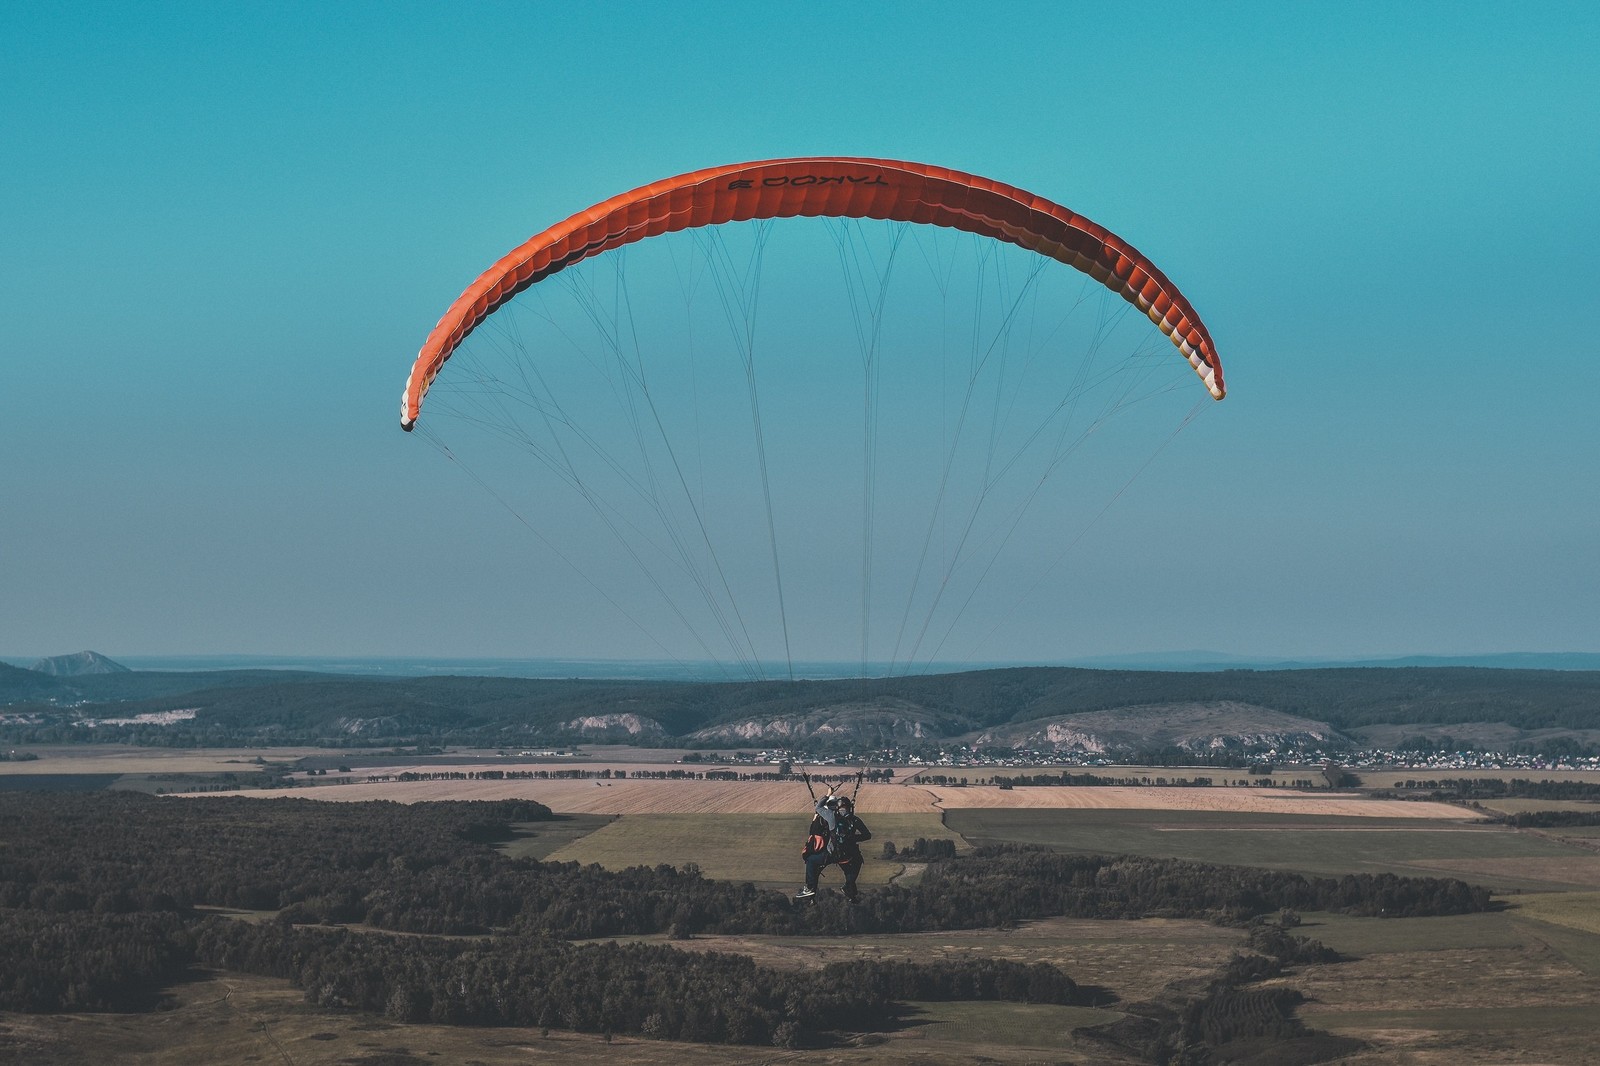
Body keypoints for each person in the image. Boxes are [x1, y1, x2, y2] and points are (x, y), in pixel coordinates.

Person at [796, 794, 871, 901]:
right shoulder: (855, 820)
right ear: (850, 807)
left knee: (811, 860)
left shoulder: (831, 816)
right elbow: (867, 835)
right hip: (847, 856)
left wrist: (827, 795)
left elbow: (818, 808)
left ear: (837, 807)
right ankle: (849, 886)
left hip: (831, 854)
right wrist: (852, 838)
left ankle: (810, 888)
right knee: (855, 864)